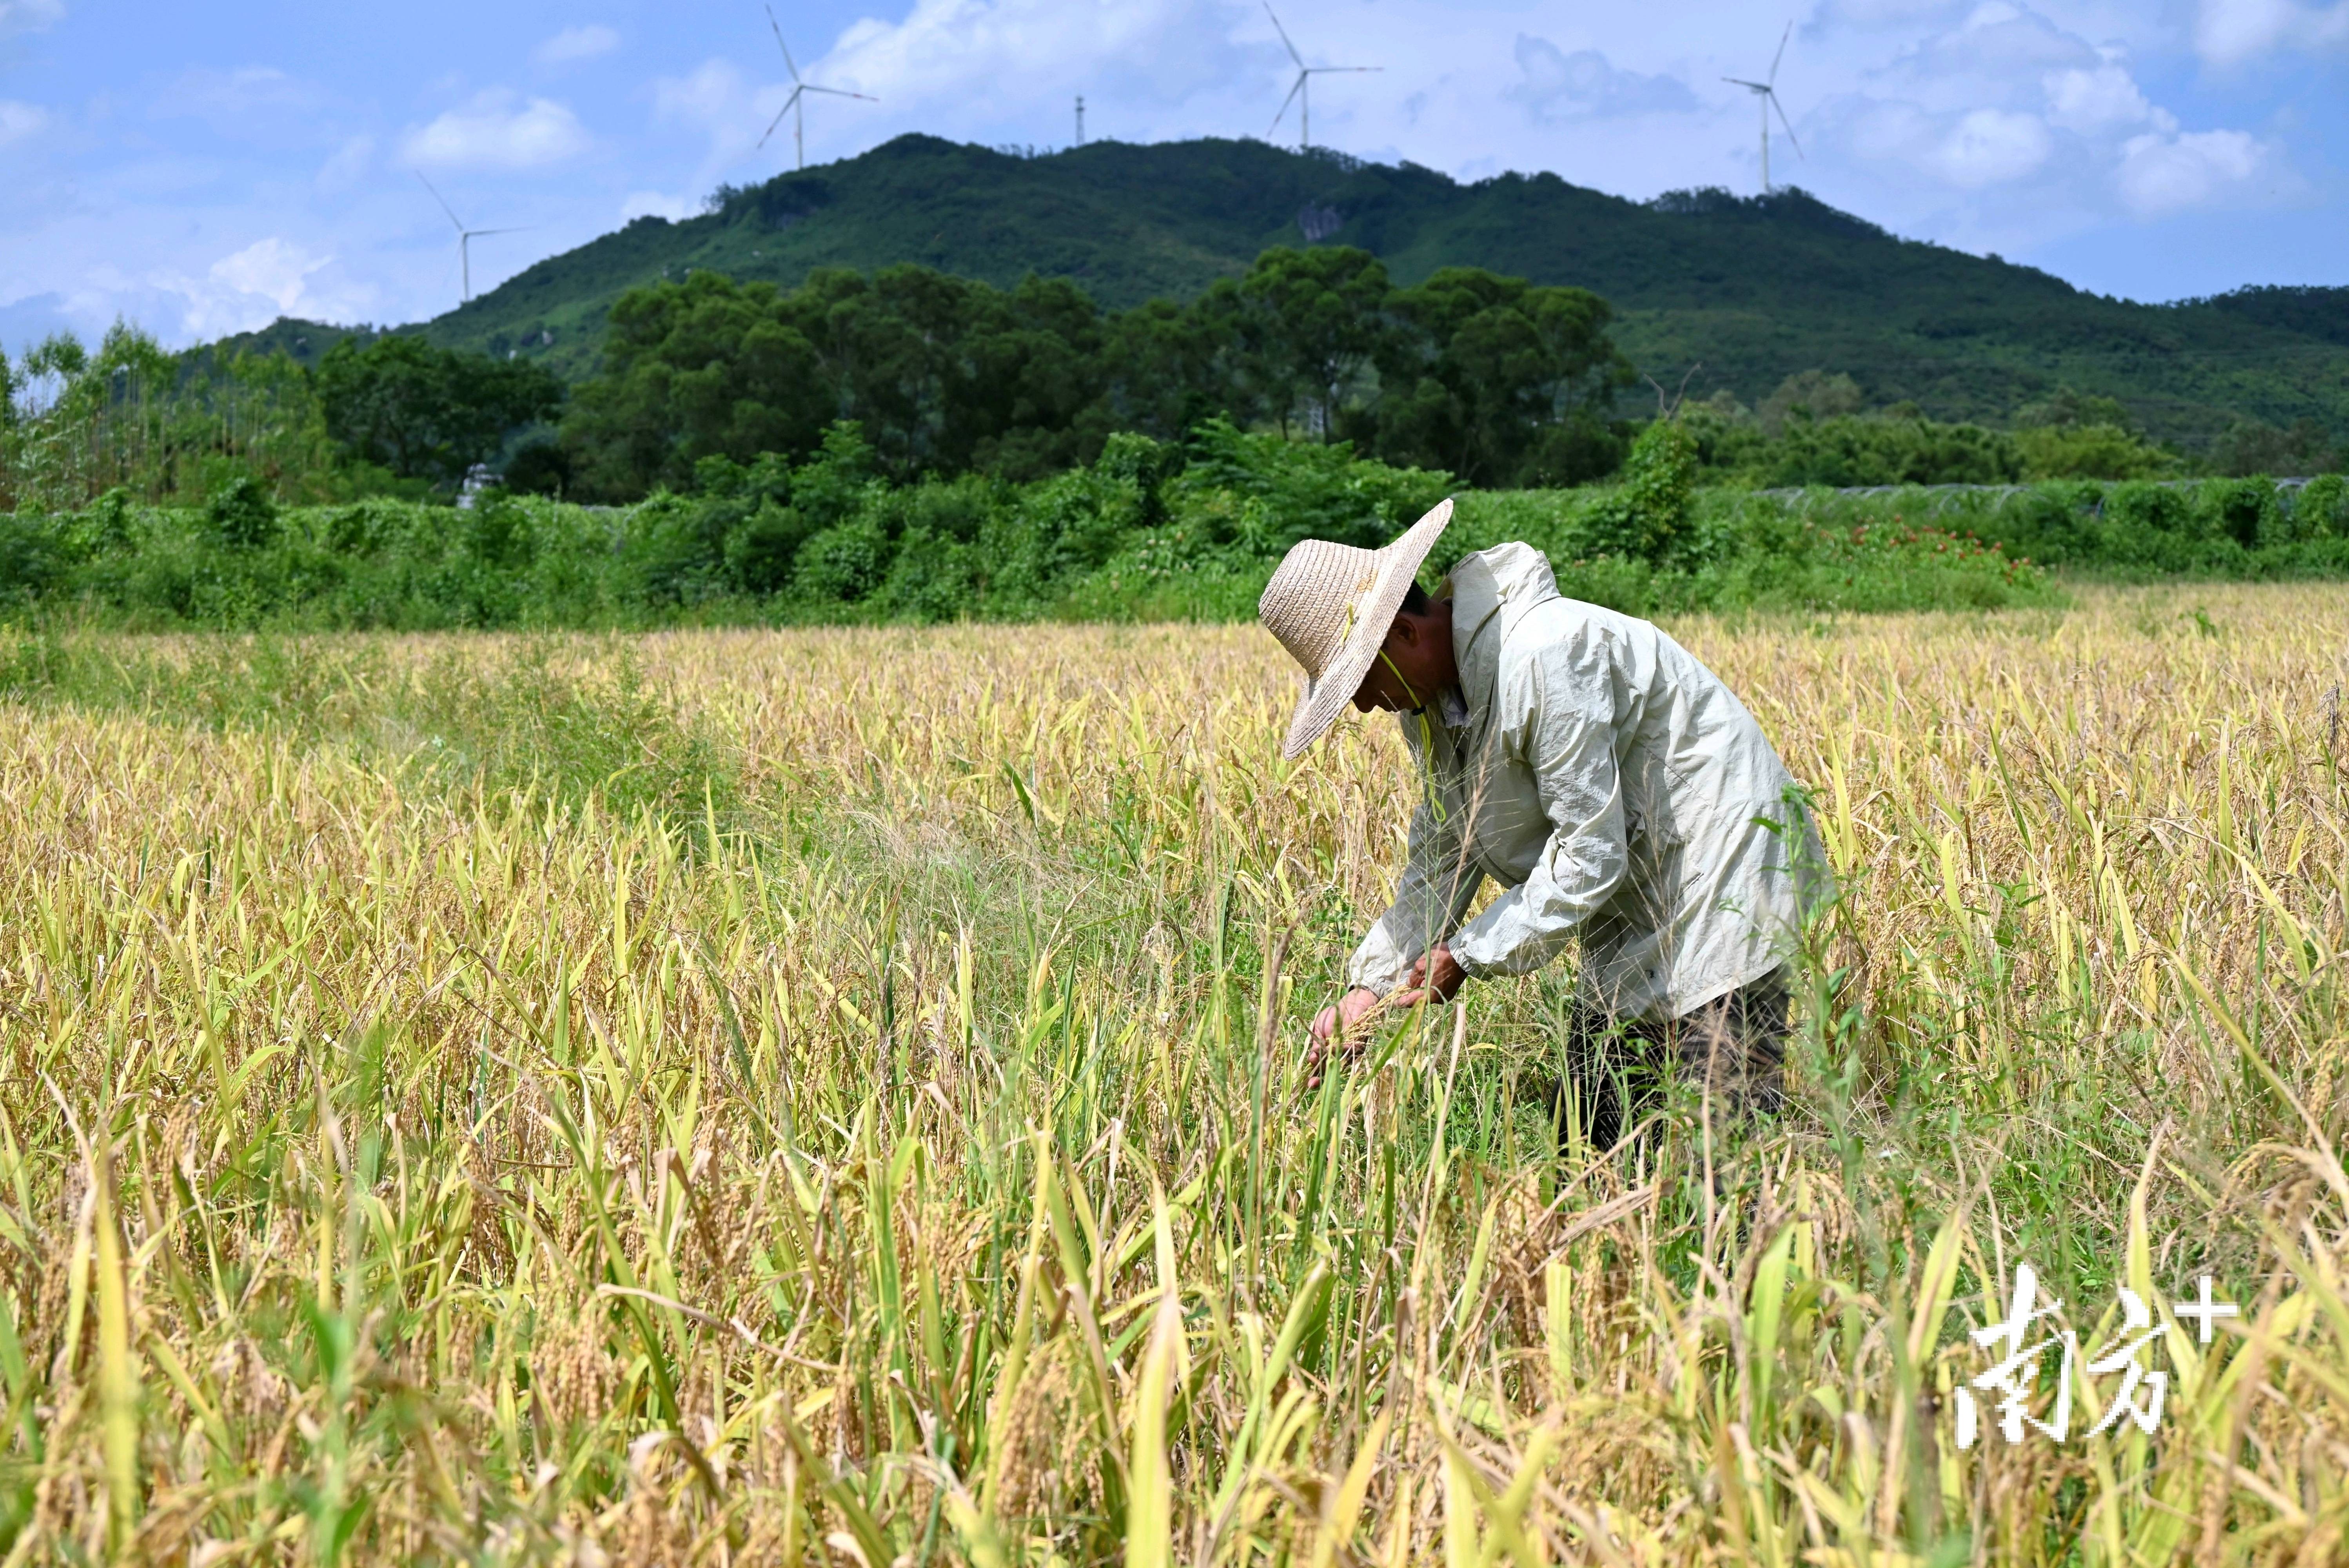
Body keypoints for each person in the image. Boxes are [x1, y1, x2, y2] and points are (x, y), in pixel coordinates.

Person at [1257, 499, 1830, 1151]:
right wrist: (1369, 991)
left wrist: (1467, 957)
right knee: (1589, 1136)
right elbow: (1445, 854)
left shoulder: (1544, 653)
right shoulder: (1432, 709)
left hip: (1726, 868)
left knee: (1721, 1143)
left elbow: (1589, 853)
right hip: (1638, 884)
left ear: (1406, 636)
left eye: (1359, 678)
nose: (1359, 705)